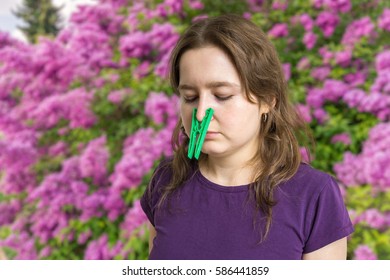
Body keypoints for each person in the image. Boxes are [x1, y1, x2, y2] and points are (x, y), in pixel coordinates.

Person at [140, 14, 354, 260]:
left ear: (266, 100)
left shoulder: (314, 195)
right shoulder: (166, 179)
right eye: (190, 97)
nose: (201, 114)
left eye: (221, 95)